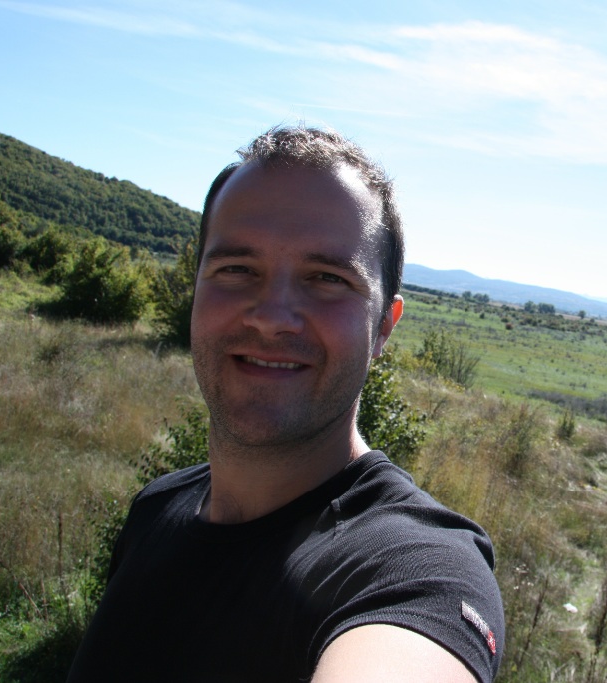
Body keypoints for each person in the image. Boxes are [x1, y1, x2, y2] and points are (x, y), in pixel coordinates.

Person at [67, 126, 505, 683]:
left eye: (326, 278)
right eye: (237, 270)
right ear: (196, 289)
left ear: (383, 328)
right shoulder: (156, 509)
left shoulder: (416, 572)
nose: (272, 317)